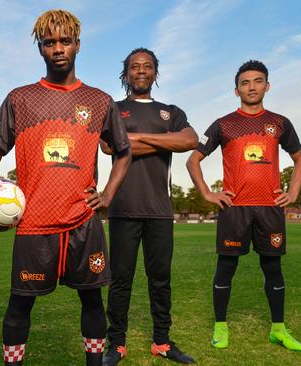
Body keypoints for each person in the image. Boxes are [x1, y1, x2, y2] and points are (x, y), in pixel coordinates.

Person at [0, 9, 132, 366]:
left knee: (92, 301)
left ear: (77, 45)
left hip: (82, 221)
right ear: (40, 48)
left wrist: (108, 195)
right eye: (49, 42)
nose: (58, 48)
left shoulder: (100, 101)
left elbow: (124, 152)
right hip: (34, 223)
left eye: (65, 41)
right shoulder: (20, 98)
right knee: (20, 303)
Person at [186, 60, 301, 351]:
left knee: (273, 269)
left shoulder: (280, 123)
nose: (252, 87)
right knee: (226, 268)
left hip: (269, 209)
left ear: (267, 85)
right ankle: (220, 326)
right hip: (234, 209)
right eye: (245, 82)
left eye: (258, 81)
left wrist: (292, 191)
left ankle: (278, 329)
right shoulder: (223, 124)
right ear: (236, 89)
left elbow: (300, 159)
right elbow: (193, 160)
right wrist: (207, 193)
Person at [101, 48, 198, 365]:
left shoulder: (171, 111)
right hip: (123, 208)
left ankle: (162, 341)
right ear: (125, 73)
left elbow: (188, 141)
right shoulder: (113, 109)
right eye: (134, 66)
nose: (141, 71)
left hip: (160, 210)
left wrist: (132, 139)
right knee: (120, 281)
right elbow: (107, 146)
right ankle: (116, 344)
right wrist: (161, 139)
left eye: (147, 66)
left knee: (161, 280)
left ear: (155, 72)